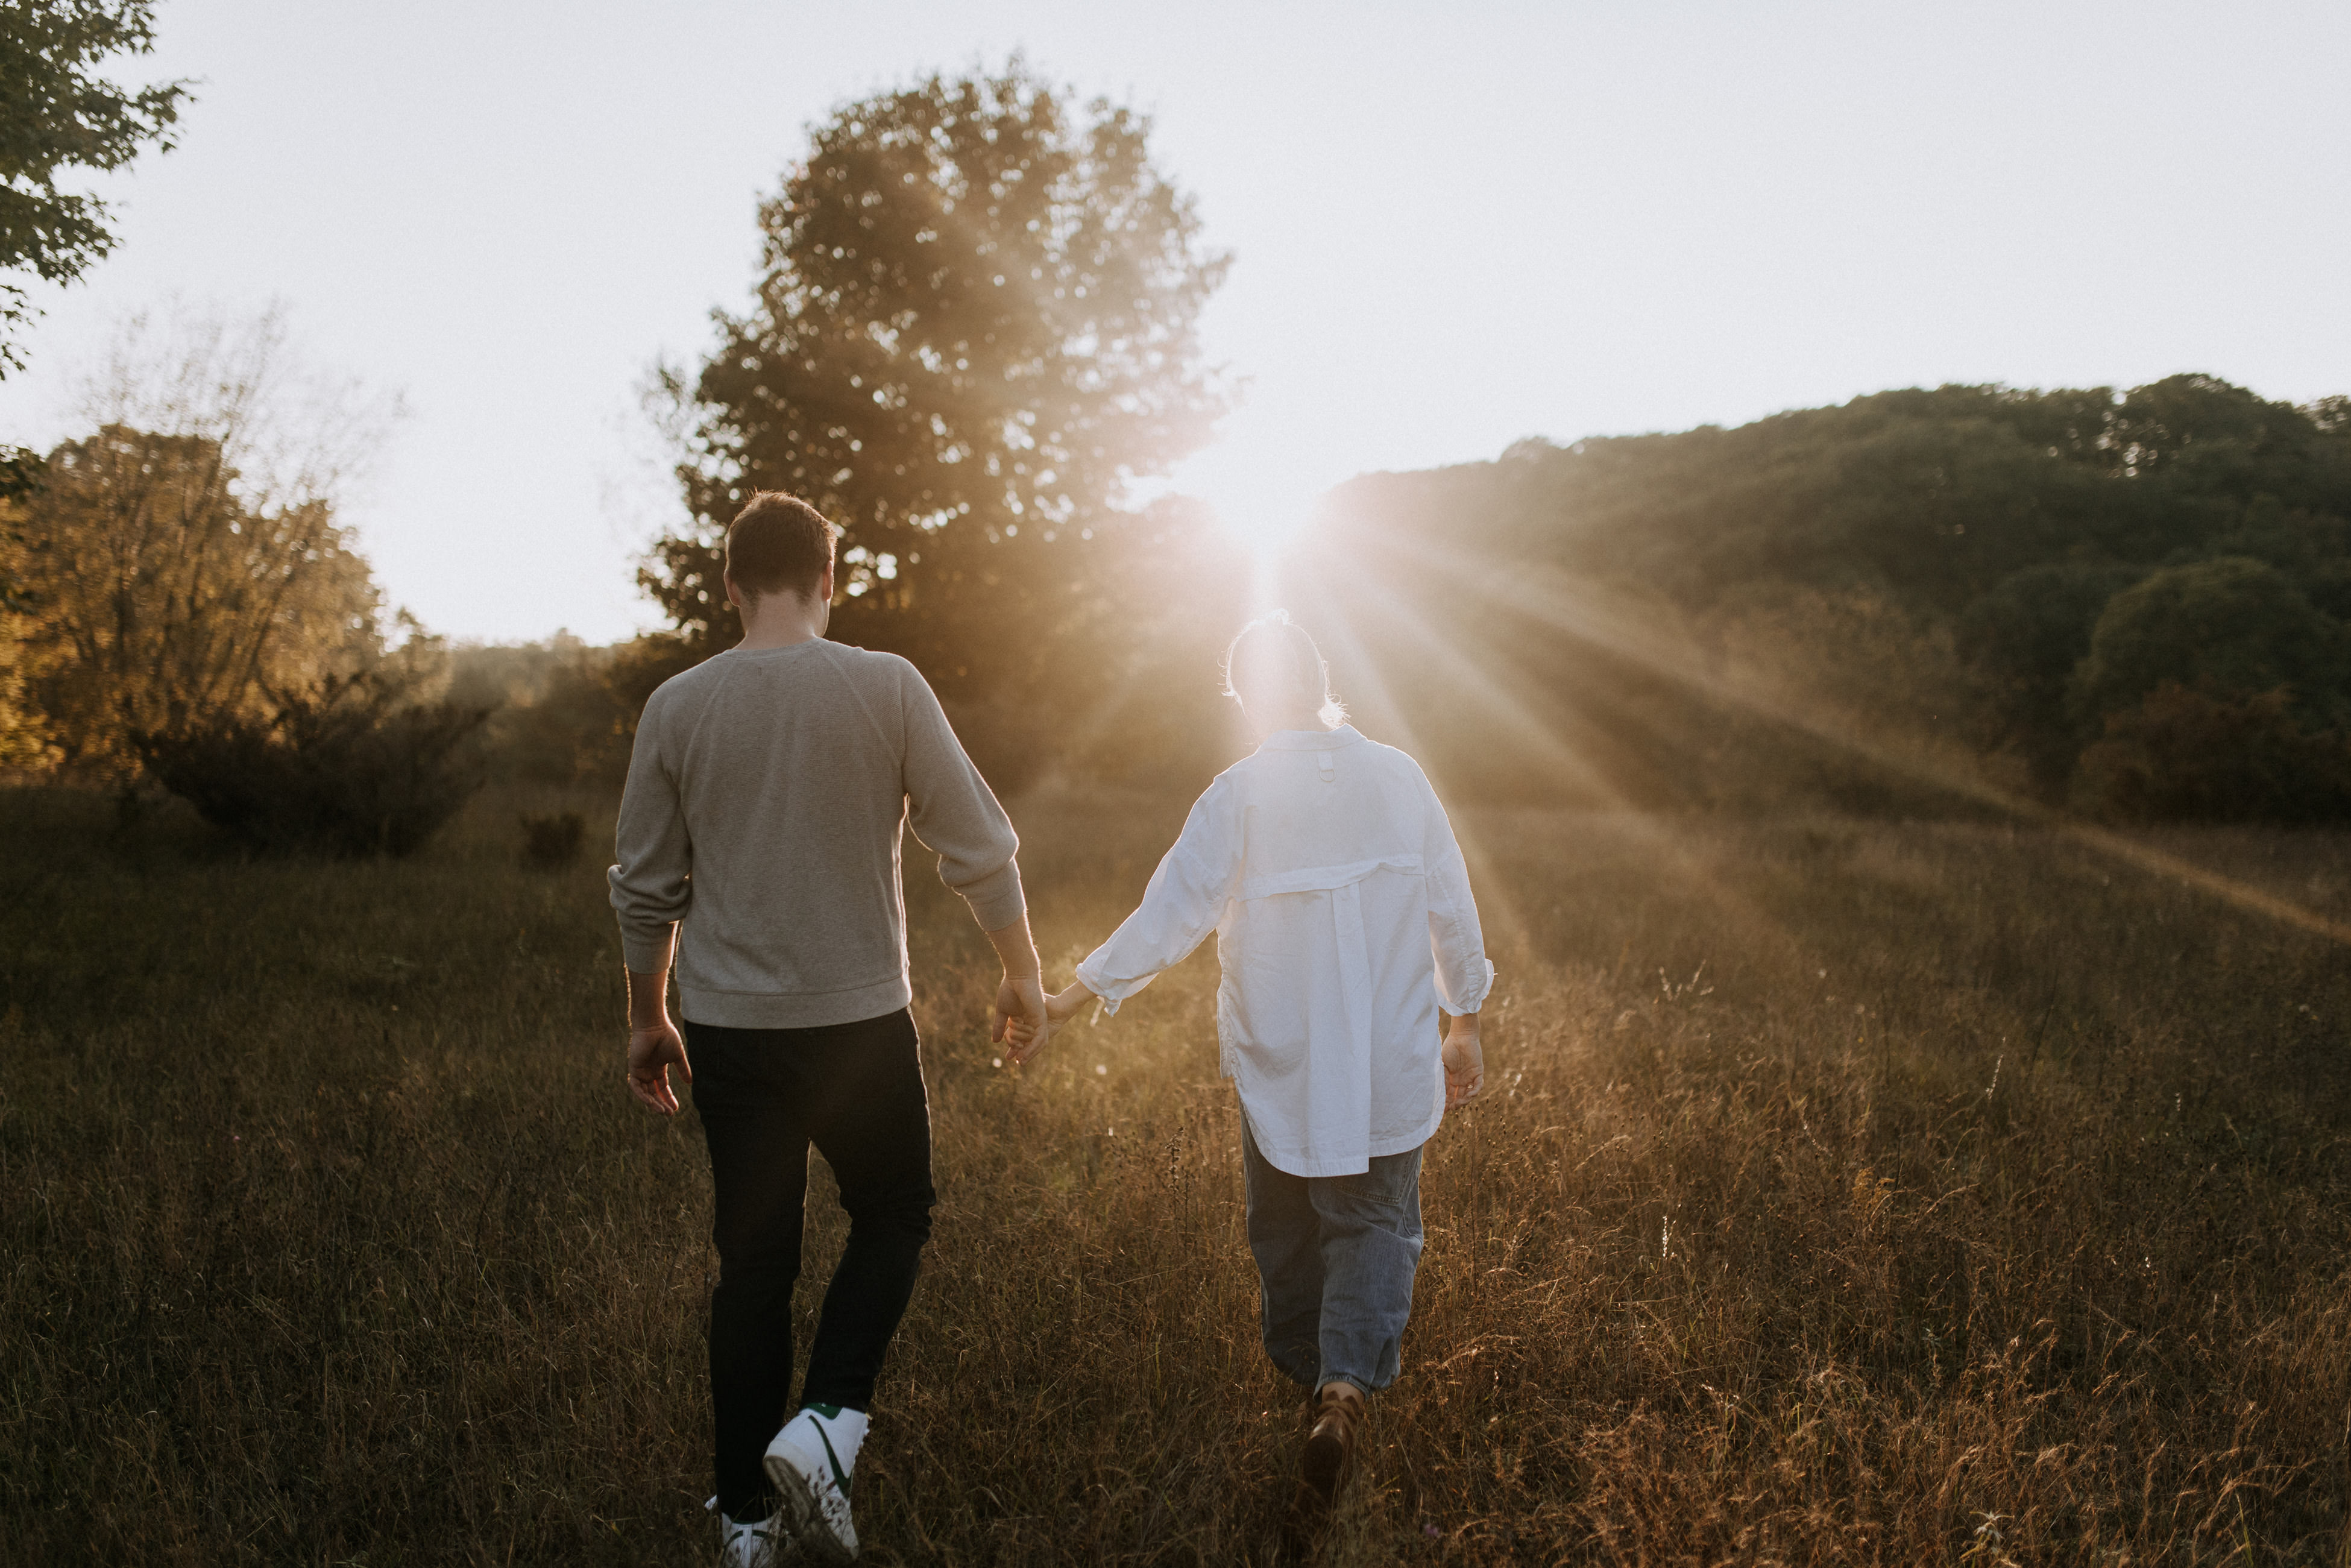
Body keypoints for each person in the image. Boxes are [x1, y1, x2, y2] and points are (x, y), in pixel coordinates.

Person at [609, 491, 1051, 1567]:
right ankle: (827, 1421)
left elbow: (645, 886)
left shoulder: (677, 705)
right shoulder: (886, 684)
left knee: (754, 1265)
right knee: (894, 1211)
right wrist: (1023, 972)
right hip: (860, 1025)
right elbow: (979, 844)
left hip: (730, 1027)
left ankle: (745, 1524)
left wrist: (649, 1017)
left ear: (731, 586)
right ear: (829, 579)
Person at [1007, 611, 1491, 1514]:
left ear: (1245, 699)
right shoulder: (1400, 776)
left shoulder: (1238, 793)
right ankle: (1343, 1389)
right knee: (1375, 1224)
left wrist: (1071, 998)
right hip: (1388, 1060)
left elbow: (1171, 912)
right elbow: (1452, 907)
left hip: (1287, 1067)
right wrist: (1462, 1020)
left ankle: (1315, 1386)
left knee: (1284, 1230)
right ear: (1322, 683)